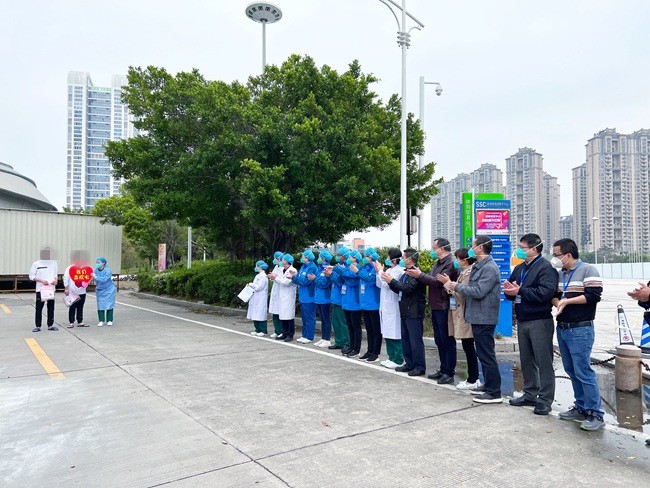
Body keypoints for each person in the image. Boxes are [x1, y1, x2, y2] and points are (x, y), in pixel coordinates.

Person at [551, 238, 605, 431]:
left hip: (580, 329)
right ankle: (580, 406)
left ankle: (595, 413)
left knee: (583, 371)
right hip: (563, 328)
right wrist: (559, 303)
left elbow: (593, 296)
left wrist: (568, 302)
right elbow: (555, 295)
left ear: (567, 254)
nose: (554, 258)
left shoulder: (588, 270)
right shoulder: (560, 274)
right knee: (571, 370)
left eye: (556, 254)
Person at [503, 234, 558, 415]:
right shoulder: (519, 268)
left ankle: (545, 399)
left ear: (534, 249)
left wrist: (521, 291)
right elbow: (513, 289)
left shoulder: (546, 269)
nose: (519, 250)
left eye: (523, 247)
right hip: (523, 319)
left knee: (543, 361)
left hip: (540, 320)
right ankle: (529, 393)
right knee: (526, 360)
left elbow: (545, 293)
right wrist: (509, 290)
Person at [443, 236, 502, 403]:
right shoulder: (478, 266)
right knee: (483, 354)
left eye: (473, 246)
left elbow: (478, 291)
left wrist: (455, 286)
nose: (471, 249)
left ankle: (494, 392)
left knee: (486, 354)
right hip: (476, 316)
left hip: (485, 317)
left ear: (481, 248)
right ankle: (488, 385)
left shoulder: (489, 268)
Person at [407, 238, 458, 384]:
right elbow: (431, 279)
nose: (432, 250)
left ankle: (449, 372)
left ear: (441, 248)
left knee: (447, 340)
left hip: (444, 305)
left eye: (434, 247)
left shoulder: (450, 263)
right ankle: (443, 368)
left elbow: (438, 282)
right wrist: (421, 276)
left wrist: (420, 275)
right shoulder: (437, 263)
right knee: (439, 340)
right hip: (436, 305)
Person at [438, 248, 480, 390]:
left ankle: (473, 378)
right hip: (459, 311)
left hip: (465, 313)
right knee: (467, 346)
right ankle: (472, 378)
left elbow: (463, 292)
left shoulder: (470, 272)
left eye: (458, 258)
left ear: (465, 259)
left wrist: (450, 283)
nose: (456, 261)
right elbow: (456, 291)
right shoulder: (463, 272)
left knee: (469, 348)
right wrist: (449, 284)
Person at [382, 249, 426, 376]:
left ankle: (419, 366)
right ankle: (409, 363)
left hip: (414, 311)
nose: (401, 260)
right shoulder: (405, 273)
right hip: (404, 310)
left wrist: (392, 281)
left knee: (415, 341)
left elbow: (407, 288)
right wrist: (390, 282)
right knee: (406, 340)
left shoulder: (417, 274)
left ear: (410, 259)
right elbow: (399, 289)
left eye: (403, 257)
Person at [375, 248, 405, 369]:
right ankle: (391, 357)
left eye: (388, 257)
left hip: (393, 306)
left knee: (395, 332)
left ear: (393, 258)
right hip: (385, 306)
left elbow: (386, 283)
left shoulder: (400, 271)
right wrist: (380, 272)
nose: (386, 260)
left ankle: (398, 359)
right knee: (387, 332)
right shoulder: (389, 270)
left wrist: (379, 271)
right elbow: (379, 284)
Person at [332, 250, 363, 357]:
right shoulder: (348, 268)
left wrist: (338, 269)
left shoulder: (358, 268)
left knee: (356, 327)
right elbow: (342, 278)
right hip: (346, 301)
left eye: (351, 257)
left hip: (355, 302)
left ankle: (356, 348)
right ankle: (351, 346)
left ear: (355, 258)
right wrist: (341, 272)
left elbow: (351, 278)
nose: (348, 258)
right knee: (350, 326)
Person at [356, 247, 382, 362]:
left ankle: (376, 352)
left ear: (371, 257)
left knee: (376, 330)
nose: (365, 258)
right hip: (365, 303)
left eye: (366, 256)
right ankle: (369, 350)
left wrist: (358, 272)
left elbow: (369, 279)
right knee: (369, 329)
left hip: (374, 303)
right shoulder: (365, 267)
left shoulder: (375, 268)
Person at [324, 247, 351, 352]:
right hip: (335, 297)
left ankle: (346, 342)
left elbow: (340, 281)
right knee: (336, 322)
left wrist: (331, 275)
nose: (338, 257)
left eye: (340, 255)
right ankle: (338, 341)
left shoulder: (346, 268)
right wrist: (329, 275)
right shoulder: (338, 266)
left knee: (343, 322)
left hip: (342, 298)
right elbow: (334, 279)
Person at [29, 249, 58, 332]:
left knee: (51, 307)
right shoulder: (36, 264)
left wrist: (55, 280)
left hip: (51, 289)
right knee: (39, 308)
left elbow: (55, 274)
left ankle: (50, 325)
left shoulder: (54, 263)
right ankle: (38, 325)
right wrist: (41, 280)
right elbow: (31, 276)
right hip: (41, 289)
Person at [293, 250, 318, 343]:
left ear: (307, 258)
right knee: (304, 316)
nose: (302, 258)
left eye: (303, 256)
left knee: (310, 317)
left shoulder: (312, 268)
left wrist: (295, 279)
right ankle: (304, 335)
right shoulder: (303, 266)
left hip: (309, 295)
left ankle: (309, 336)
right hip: (303, 295)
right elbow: (299, 278)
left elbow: (305, 281)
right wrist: (295, 278)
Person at [63, 250, 92, 328]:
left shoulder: (85, 268)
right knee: (72, 307)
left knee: (80, 307)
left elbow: (88, 277)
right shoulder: (70, 268)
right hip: (72, 291)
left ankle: (80, 321)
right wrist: (66, 288)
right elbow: (66, 278)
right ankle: (71, 322)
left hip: (82, 291)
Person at [274, 254, 298, 342]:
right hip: (282, 295)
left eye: (283, 260)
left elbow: (286, 282)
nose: (281, 261)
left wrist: (276, 278)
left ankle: (290, 334)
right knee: (283, 315)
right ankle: (284, 333)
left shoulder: (293, 270)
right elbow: (280, 278)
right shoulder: (282, 270)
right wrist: (275, 277)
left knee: (289, 316)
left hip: (288, 296)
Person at [313, 250, 333, 348]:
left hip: (325, 297)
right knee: (322, 319)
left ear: (324, 259)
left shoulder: (328, 269)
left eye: (320, 257)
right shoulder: (319, 269)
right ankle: (323, 338)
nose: (319, 259)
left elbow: (324, 283)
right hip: (318, 297)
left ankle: (327, 339)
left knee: (326, 318)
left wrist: (314, 279)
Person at [248, 260, 269, 336]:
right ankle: (257, 329)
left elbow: (259, 287)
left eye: (257, 266)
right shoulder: (257, 276)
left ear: (260, 267)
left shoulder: (264, 276)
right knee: (255, 313)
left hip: (261, 298)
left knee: (261, 314)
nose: (256, 267)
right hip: (255, 297)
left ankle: (263, 330)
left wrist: (251, 285)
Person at [267, 251, 285, 338]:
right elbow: (273, 277)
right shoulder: (276, 267)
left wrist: (275, 277)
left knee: (279, 313)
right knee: (274, 312)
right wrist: (271, 277)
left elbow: (281, 279)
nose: (274, 260)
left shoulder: (283, 269)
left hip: (280, 292)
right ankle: (277, 330)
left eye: (276, 258)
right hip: (275, 291)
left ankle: (281, 331)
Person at [94, 257, 116, 326]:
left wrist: (96, 277)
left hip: (109, 289)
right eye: (96, 262)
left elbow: (105, 279)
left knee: (109, 304)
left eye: (99, 262)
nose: (97, 264)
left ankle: (109, 320)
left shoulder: (107, 270)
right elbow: (91, 277)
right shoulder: (95, 270)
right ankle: (101, 320)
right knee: (100, 305)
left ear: (103, 263)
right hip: (100, 290)